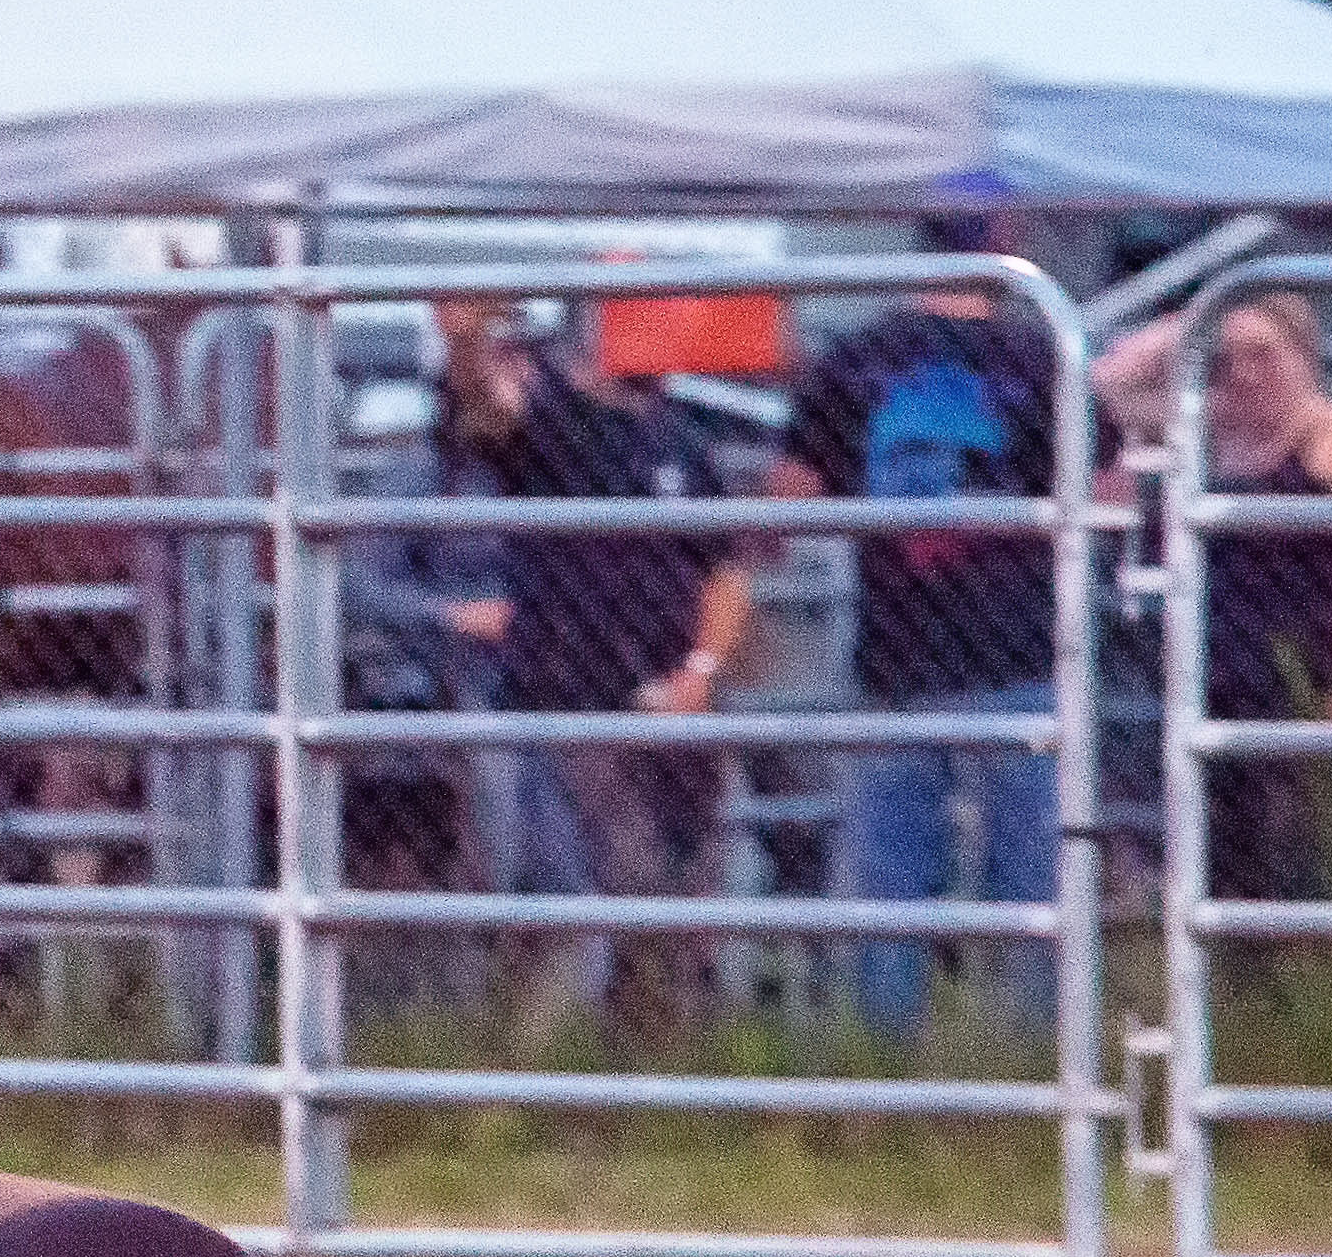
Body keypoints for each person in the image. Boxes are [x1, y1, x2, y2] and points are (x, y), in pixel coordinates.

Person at [428, 300, 757, 1050]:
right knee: (611, 883)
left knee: (687, 888)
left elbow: (726, 573)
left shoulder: (680, 440)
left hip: (674, 710)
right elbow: (486, 413)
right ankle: (559, 1064)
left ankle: (654, 1065)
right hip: (571, 701)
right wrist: (468, 340)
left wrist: (699, 673)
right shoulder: (550, 422)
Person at [772, 220, 1063, 1048]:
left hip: (896, 654)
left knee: (890, 879)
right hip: (1017, 645)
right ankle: (1034, 1061)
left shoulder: (858, 355)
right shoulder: (1039, 354)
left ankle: (883, 1061)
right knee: (1030, 879)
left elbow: (781, 502)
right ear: (1001, 252)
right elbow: (1104, 488)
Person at [1092, 290, 1332, 896]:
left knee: (1307, 866)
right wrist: (1185, 330)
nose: (1246, 372)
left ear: (1305, 357)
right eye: (1228, 358)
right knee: (1211, 872)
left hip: (1305, 682)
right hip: (1199, 686)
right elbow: (1105, 390)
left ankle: (1309, 979)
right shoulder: (1194, 429)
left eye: (1265, 354)